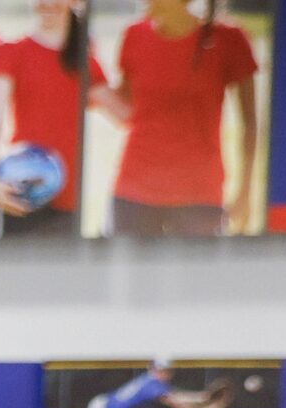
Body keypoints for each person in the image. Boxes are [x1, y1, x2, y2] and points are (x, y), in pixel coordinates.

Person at [108, 0, 260, 237]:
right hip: (134, 191)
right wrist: (90, 85)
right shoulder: (134, 35)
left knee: (196, 275)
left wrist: (245, 193)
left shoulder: (229, 39)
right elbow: (125, 110)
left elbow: (249, 122)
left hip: (199, 195)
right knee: (127, 273)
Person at [0, 0, 110, 237]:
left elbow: (125, 113)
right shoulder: (12, 51)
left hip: (69, 195)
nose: (48, 3)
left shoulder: (86, 61)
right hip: (21, 188)